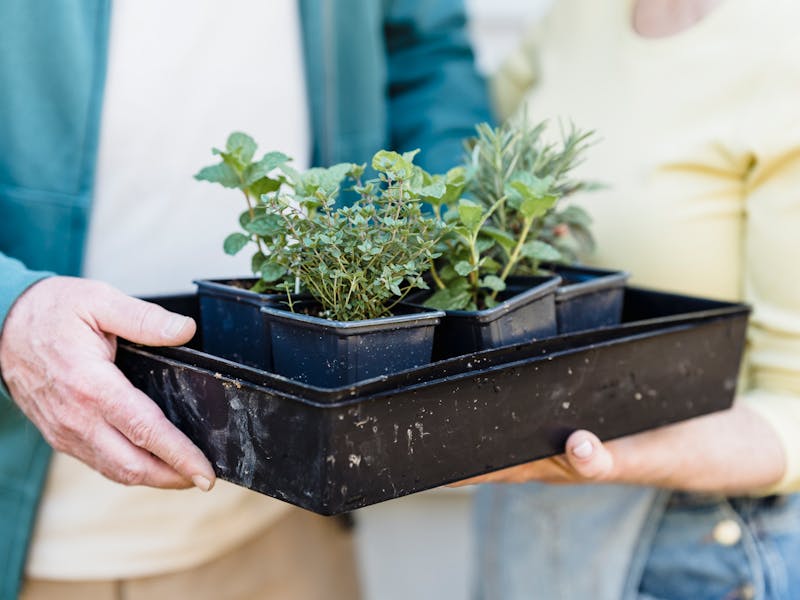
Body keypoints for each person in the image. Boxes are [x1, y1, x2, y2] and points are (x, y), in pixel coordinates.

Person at [0, 1, 490, 599]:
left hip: (289, 517)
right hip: (51, 548)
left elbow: (424, 56)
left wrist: (456, 249)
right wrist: (11, 312)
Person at [463, 1, 800, 598]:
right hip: (533, 518)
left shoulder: (782, 49)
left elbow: (791, 408)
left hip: (692, 546)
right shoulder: (576, 16)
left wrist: (609, 453)